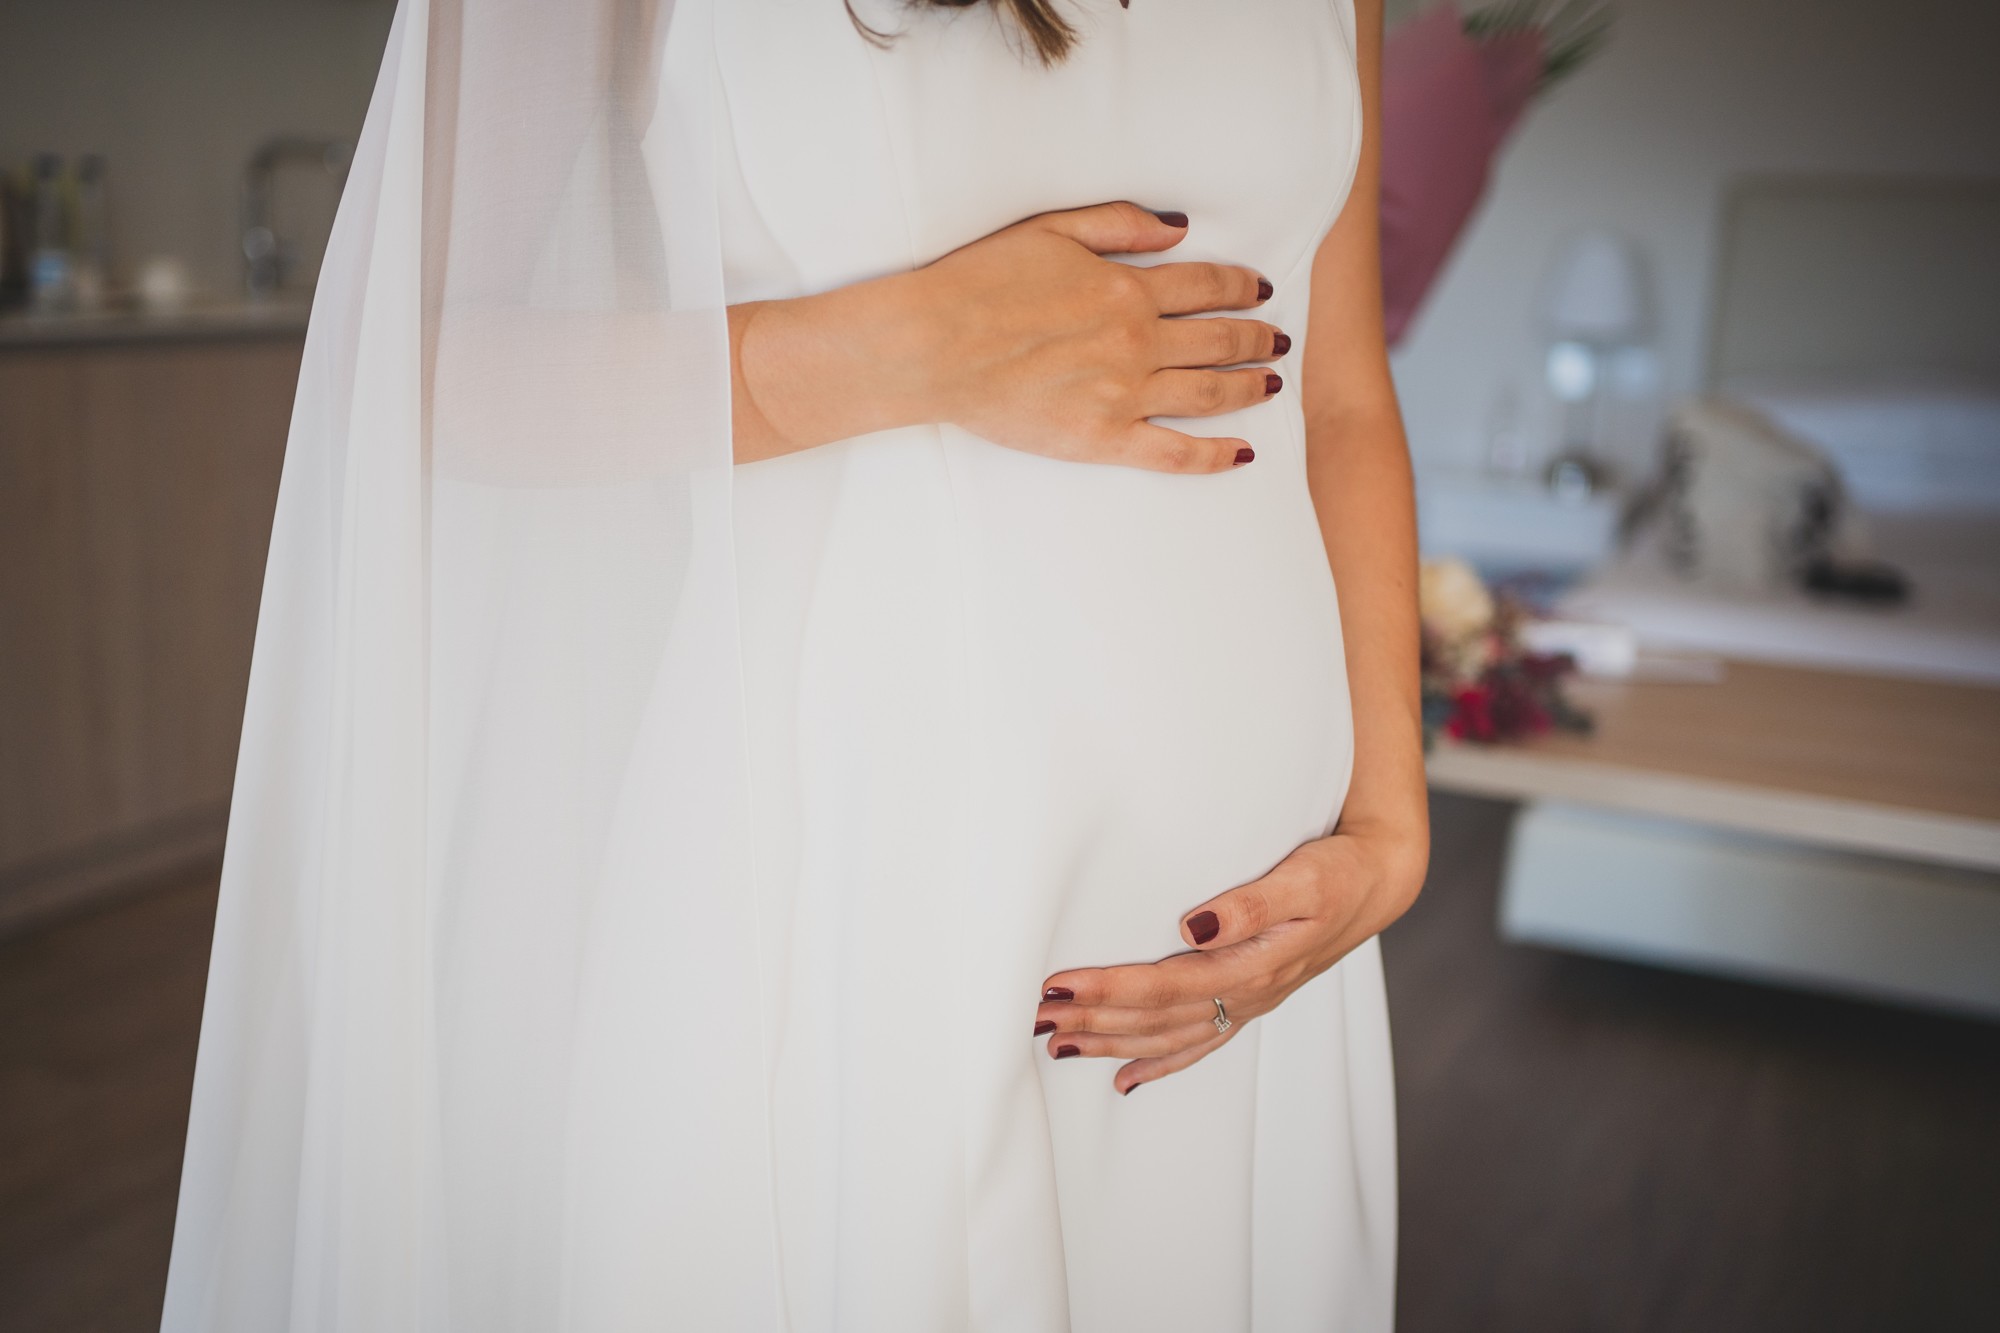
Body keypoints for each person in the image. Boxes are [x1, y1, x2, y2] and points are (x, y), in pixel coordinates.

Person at [163, 1, 1427, 1329]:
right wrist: (900, 353)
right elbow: (410, 372)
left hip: (1272, 936)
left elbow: (1340, 391)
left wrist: (1390, 828)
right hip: (862, 895)